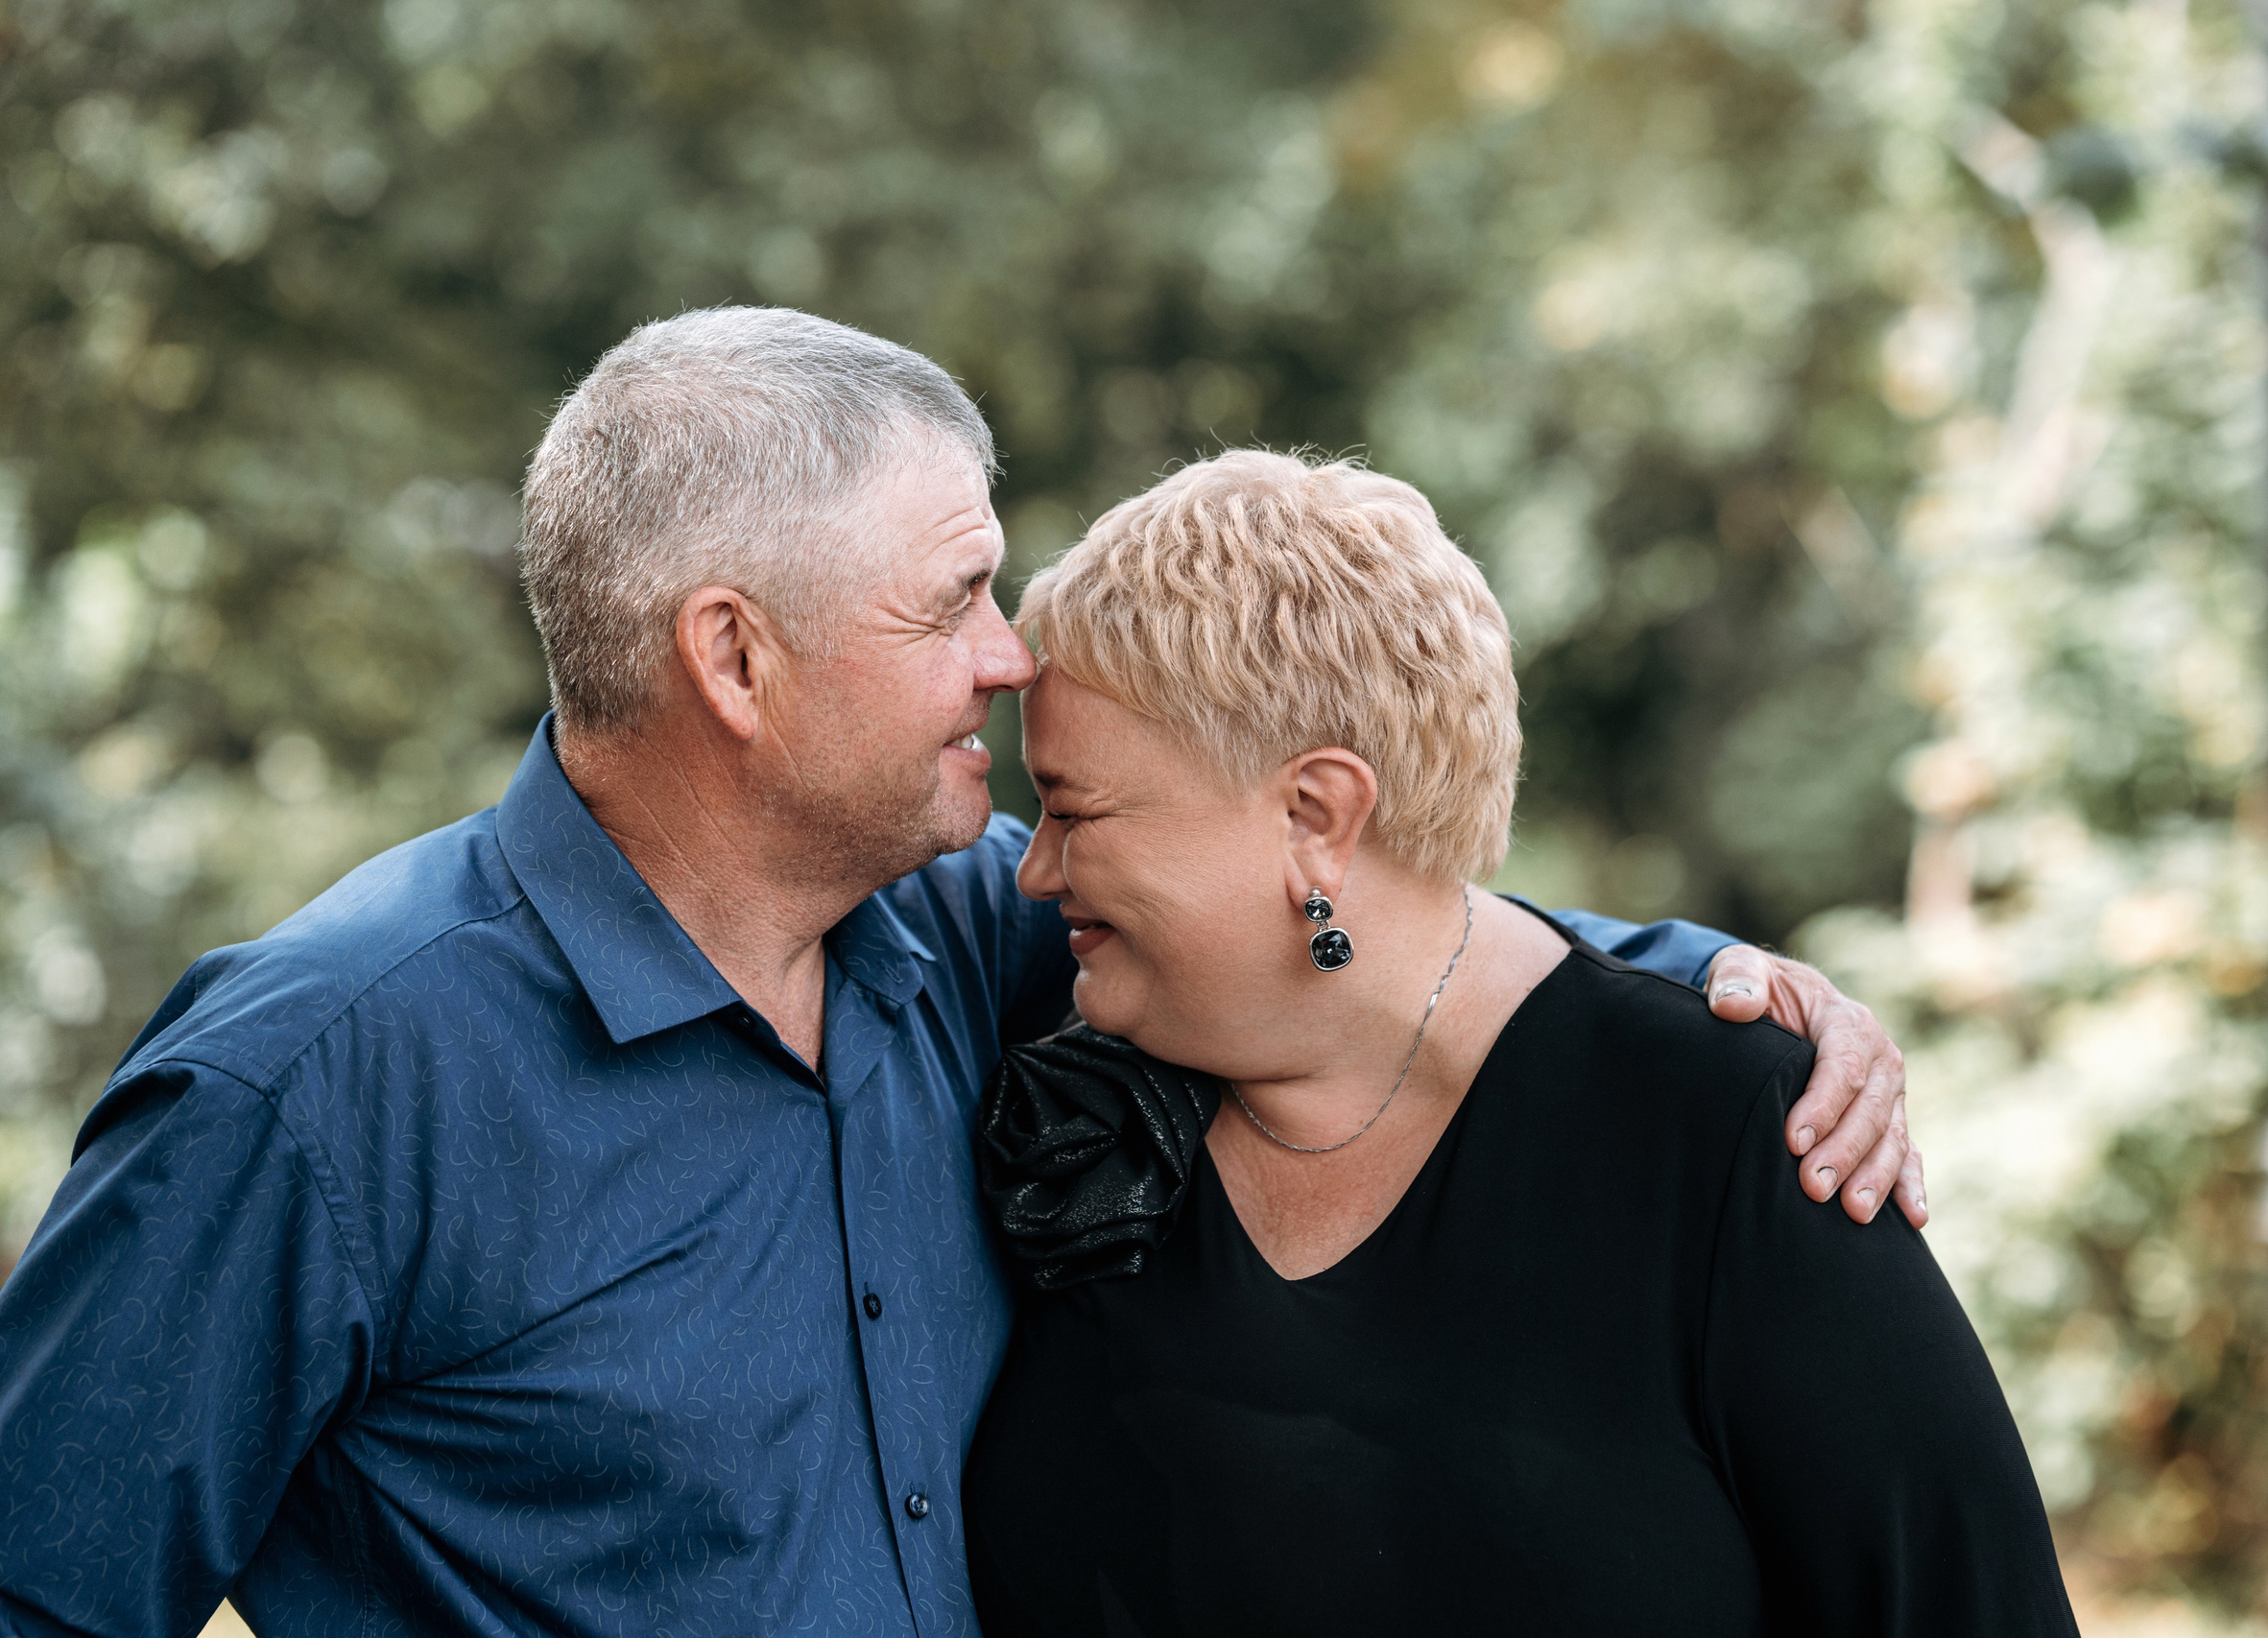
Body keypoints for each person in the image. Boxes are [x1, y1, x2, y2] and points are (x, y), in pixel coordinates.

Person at [0, 311, 1916, 1638]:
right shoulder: (315, 1082)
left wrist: (1706, 990)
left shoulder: (970, 933)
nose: (1009, 660)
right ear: (733, 663)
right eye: (954, 599)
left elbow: (1334, 921)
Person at [963, 451, 2077, 1636]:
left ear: (1314, 816)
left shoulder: (1725, 1132)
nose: (1031, 871)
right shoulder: (1060, 1073)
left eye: (1073, 813)